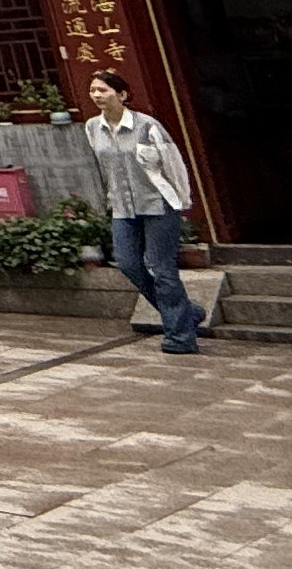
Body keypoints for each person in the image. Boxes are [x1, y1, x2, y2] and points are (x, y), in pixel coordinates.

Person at [79, 69, 204, 355]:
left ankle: (180, 336)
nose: (97, 95)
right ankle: (187, 313)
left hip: (157, 204)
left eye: (104, 90)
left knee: (162, 270)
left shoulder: (147, 126)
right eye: (94, 90)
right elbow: (103, 168)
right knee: (127, 263)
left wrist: (182, 200)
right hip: (122, 207)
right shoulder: (91, 128)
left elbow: (172, 163)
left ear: (122, 95)